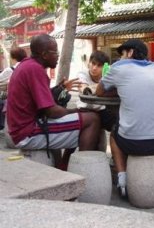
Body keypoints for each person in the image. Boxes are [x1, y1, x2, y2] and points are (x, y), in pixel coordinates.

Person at [96, 38, 154, 196]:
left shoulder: (118, 67)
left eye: (123, 54)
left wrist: (118, 87)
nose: (120, 58)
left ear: (131, 52)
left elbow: (99, 91)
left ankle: (122, 179)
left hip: (133, 143)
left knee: (114, 132)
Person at [7, 34, 100, 170]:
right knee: (92, 119)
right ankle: (82, 171)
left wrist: (61, 88)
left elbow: (39, 99)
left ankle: (64, 166)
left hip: (21, 127)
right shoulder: (35, 69)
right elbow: (51, 111)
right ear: (44, 54)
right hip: (27, 132)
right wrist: (76, 111)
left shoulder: (27, 65)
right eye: (55, 52)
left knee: (77, 120)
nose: (57, 55)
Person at [0, 47, 27, 129]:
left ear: (12, 57)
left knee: (1, 101)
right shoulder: (28, 67)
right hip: (25, 99)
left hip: (13, 99)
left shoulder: (9, 70)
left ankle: (2, 125)